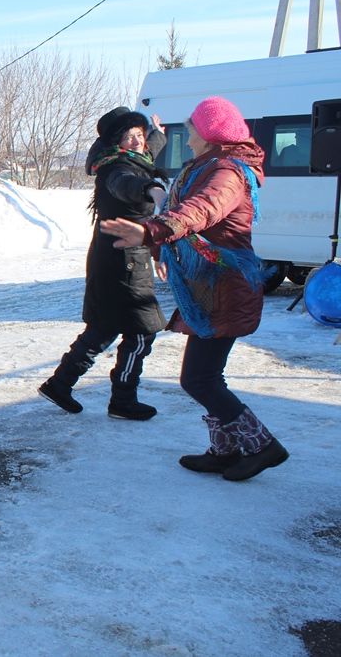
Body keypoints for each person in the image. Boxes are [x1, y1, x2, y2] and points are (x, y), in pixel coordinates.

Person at [101, 96, 289, 481]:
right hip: (208, 288)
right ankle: (225, 450)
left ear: (209, 133)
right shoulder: (209, 165)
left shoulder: (227, 173)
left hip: (225, 287)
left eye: (191, 133)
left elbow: (199, 211)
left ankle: (262, 446)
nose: (187, 142)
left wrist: (151, 230)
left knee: (198, 378)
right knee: (206, 376)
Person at [39, 107, 169, 420]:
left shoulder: (128, 159)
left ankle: (60, 384)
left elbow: (148, 149)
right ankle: (123, 399)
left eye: (140, 135)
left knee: (103, 328)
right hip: (123, 262)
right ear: (117, 141)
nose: (139, 142)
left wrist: (157, 134)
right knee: (141, 332)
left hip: (116, 259)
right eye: (131, 136)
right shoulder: (118, 169)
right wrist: (152, 190)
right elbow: (127, 184)